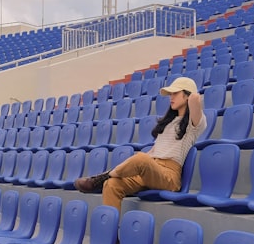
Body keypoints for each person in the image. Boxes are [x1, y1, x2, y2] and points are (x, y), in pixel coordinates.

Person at [74, 76, 206, 209]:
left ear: (187, 96)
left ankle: (101, 178)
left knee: (140, 159)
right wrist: (141, 161)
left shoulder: (193, 125)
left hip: (169, 177)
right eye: (170, 94)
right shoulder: (168, 123)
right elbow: (154, 151)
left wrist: (191, 94)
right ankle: (112, 227)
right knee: (112, 184)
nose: (171, 97)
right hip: (152, 169)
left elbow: (195, 100)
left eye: (175, 93)